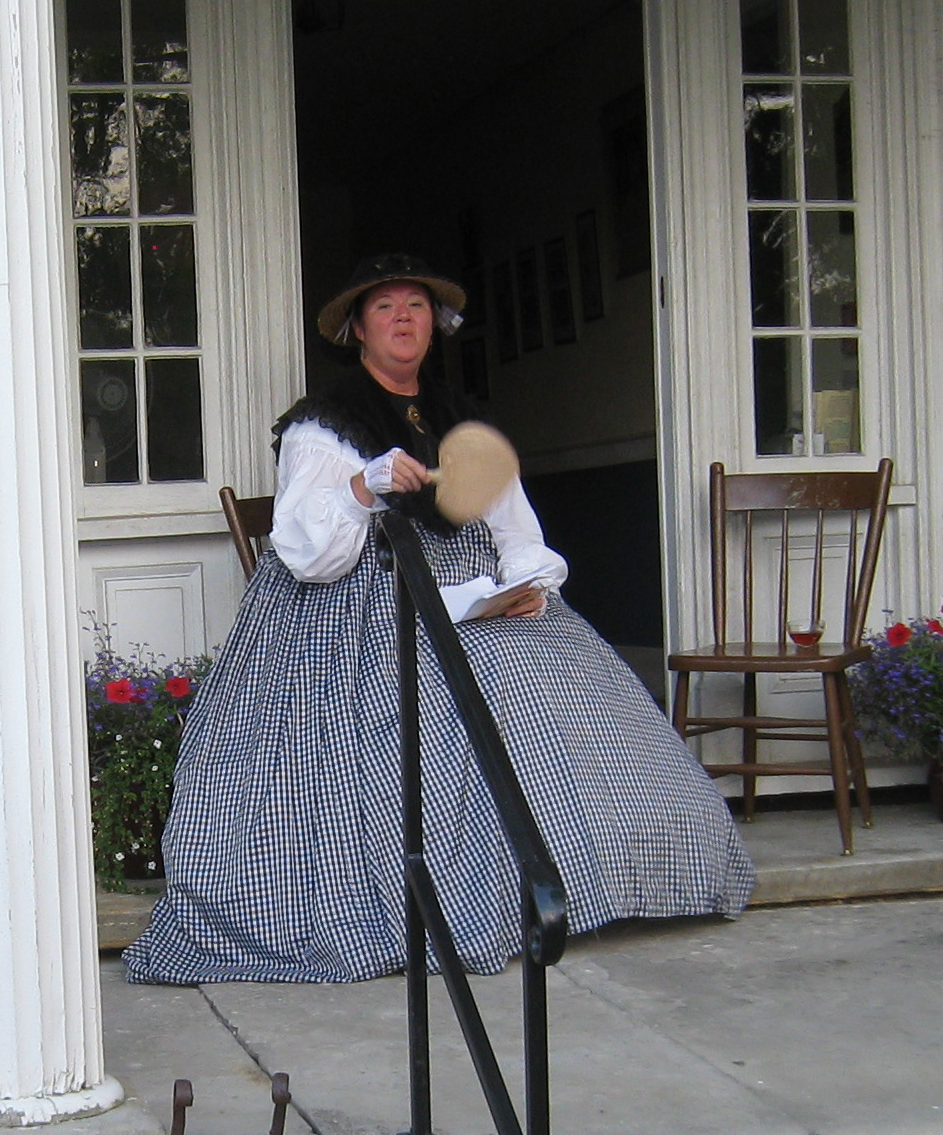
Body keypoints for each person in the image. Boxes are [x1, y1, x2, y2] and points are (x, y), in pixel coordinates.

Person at [124, 253, 755, 984]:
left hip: (472, 592)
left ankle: (592, 881)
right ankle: (458, 897)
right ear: (358, 329)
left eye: (416, 305)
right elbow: (308, 554)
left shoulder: (462, 421)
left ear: (436, 323)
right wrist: (362, 486)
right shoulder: (323, 425)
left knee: (544, 691)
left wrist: (526, 583)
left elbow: (515, 527)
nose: (402, 317)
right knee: (436, 709)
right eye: (384, 306)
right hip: (360, 604)